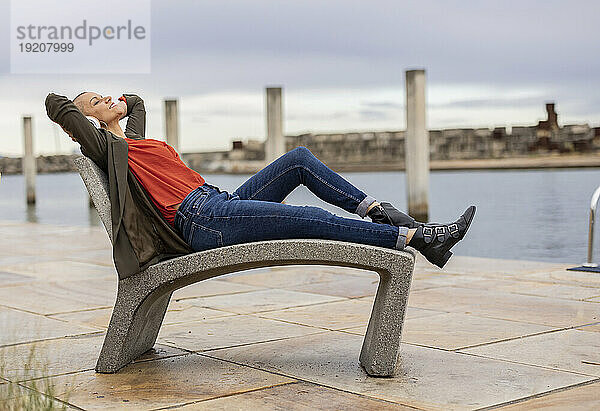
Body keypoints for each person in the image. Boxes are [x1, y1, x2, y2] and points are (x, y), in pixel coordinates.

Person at [45, 91, 475, 278]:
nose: (105, 101)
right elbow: (54, 104)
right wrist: (89, 114)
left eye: (104, 96)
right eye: (94, 102)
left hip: (217, 202)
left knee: (298, 160)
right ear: (83, 122)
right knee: (309, 218)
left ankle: (379, 212)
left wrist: (116, 105)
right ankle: (418, 236)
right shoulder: (104, 149)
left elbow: (136, 101)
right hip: (201, 221)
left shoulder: (133, 139)